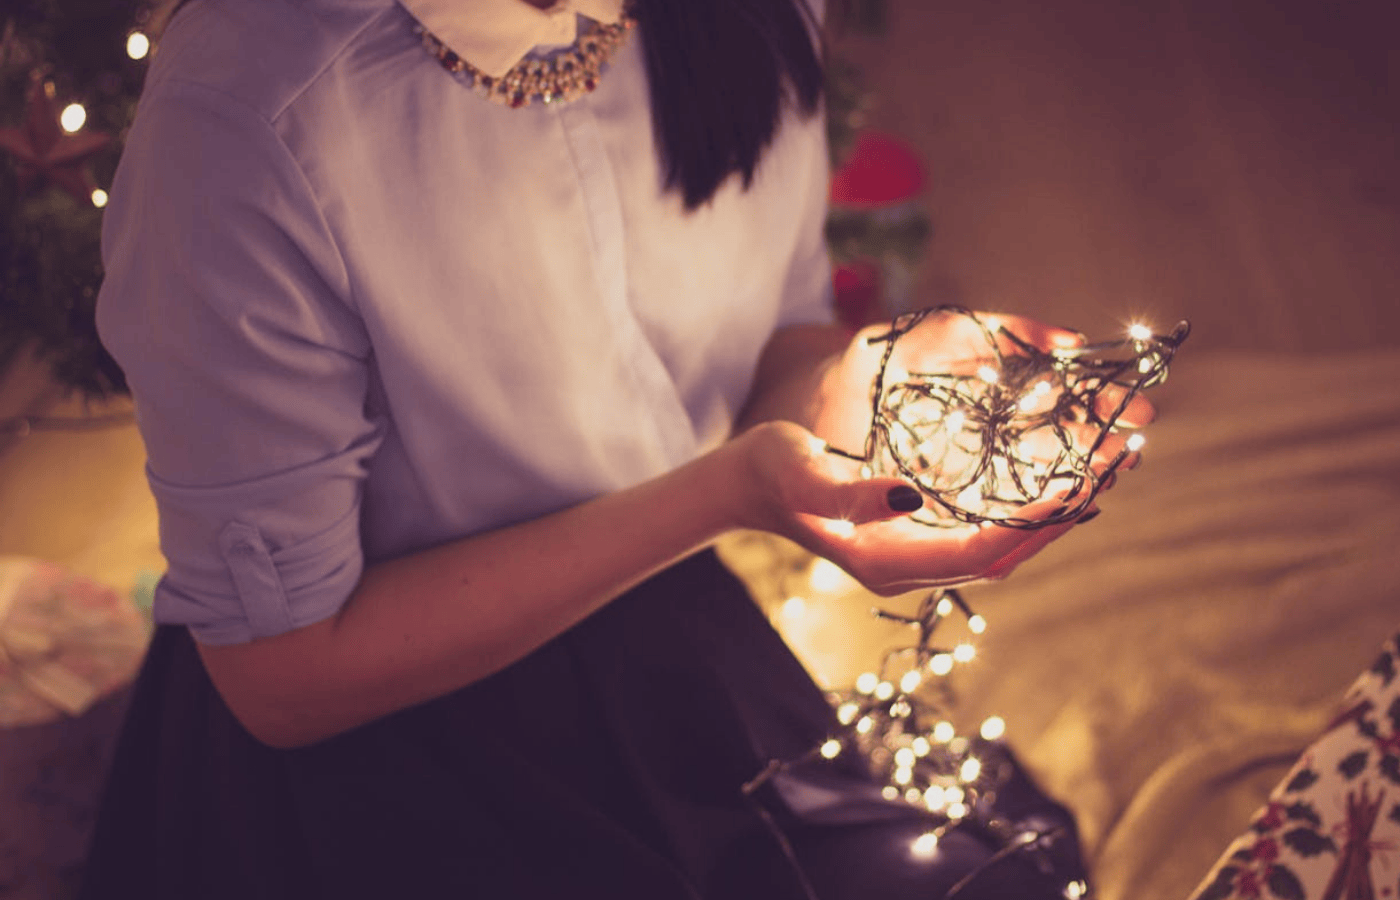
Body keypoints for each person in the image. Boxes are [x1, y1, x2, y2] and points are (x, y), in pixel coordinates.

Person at [79, 0, 1148, 896]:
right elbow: (284, 683)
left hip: (661, 633)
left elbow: (772, 345)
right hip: (376, 747)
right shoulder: (244, 120)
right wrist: (727, 495)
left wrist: (869, 380)